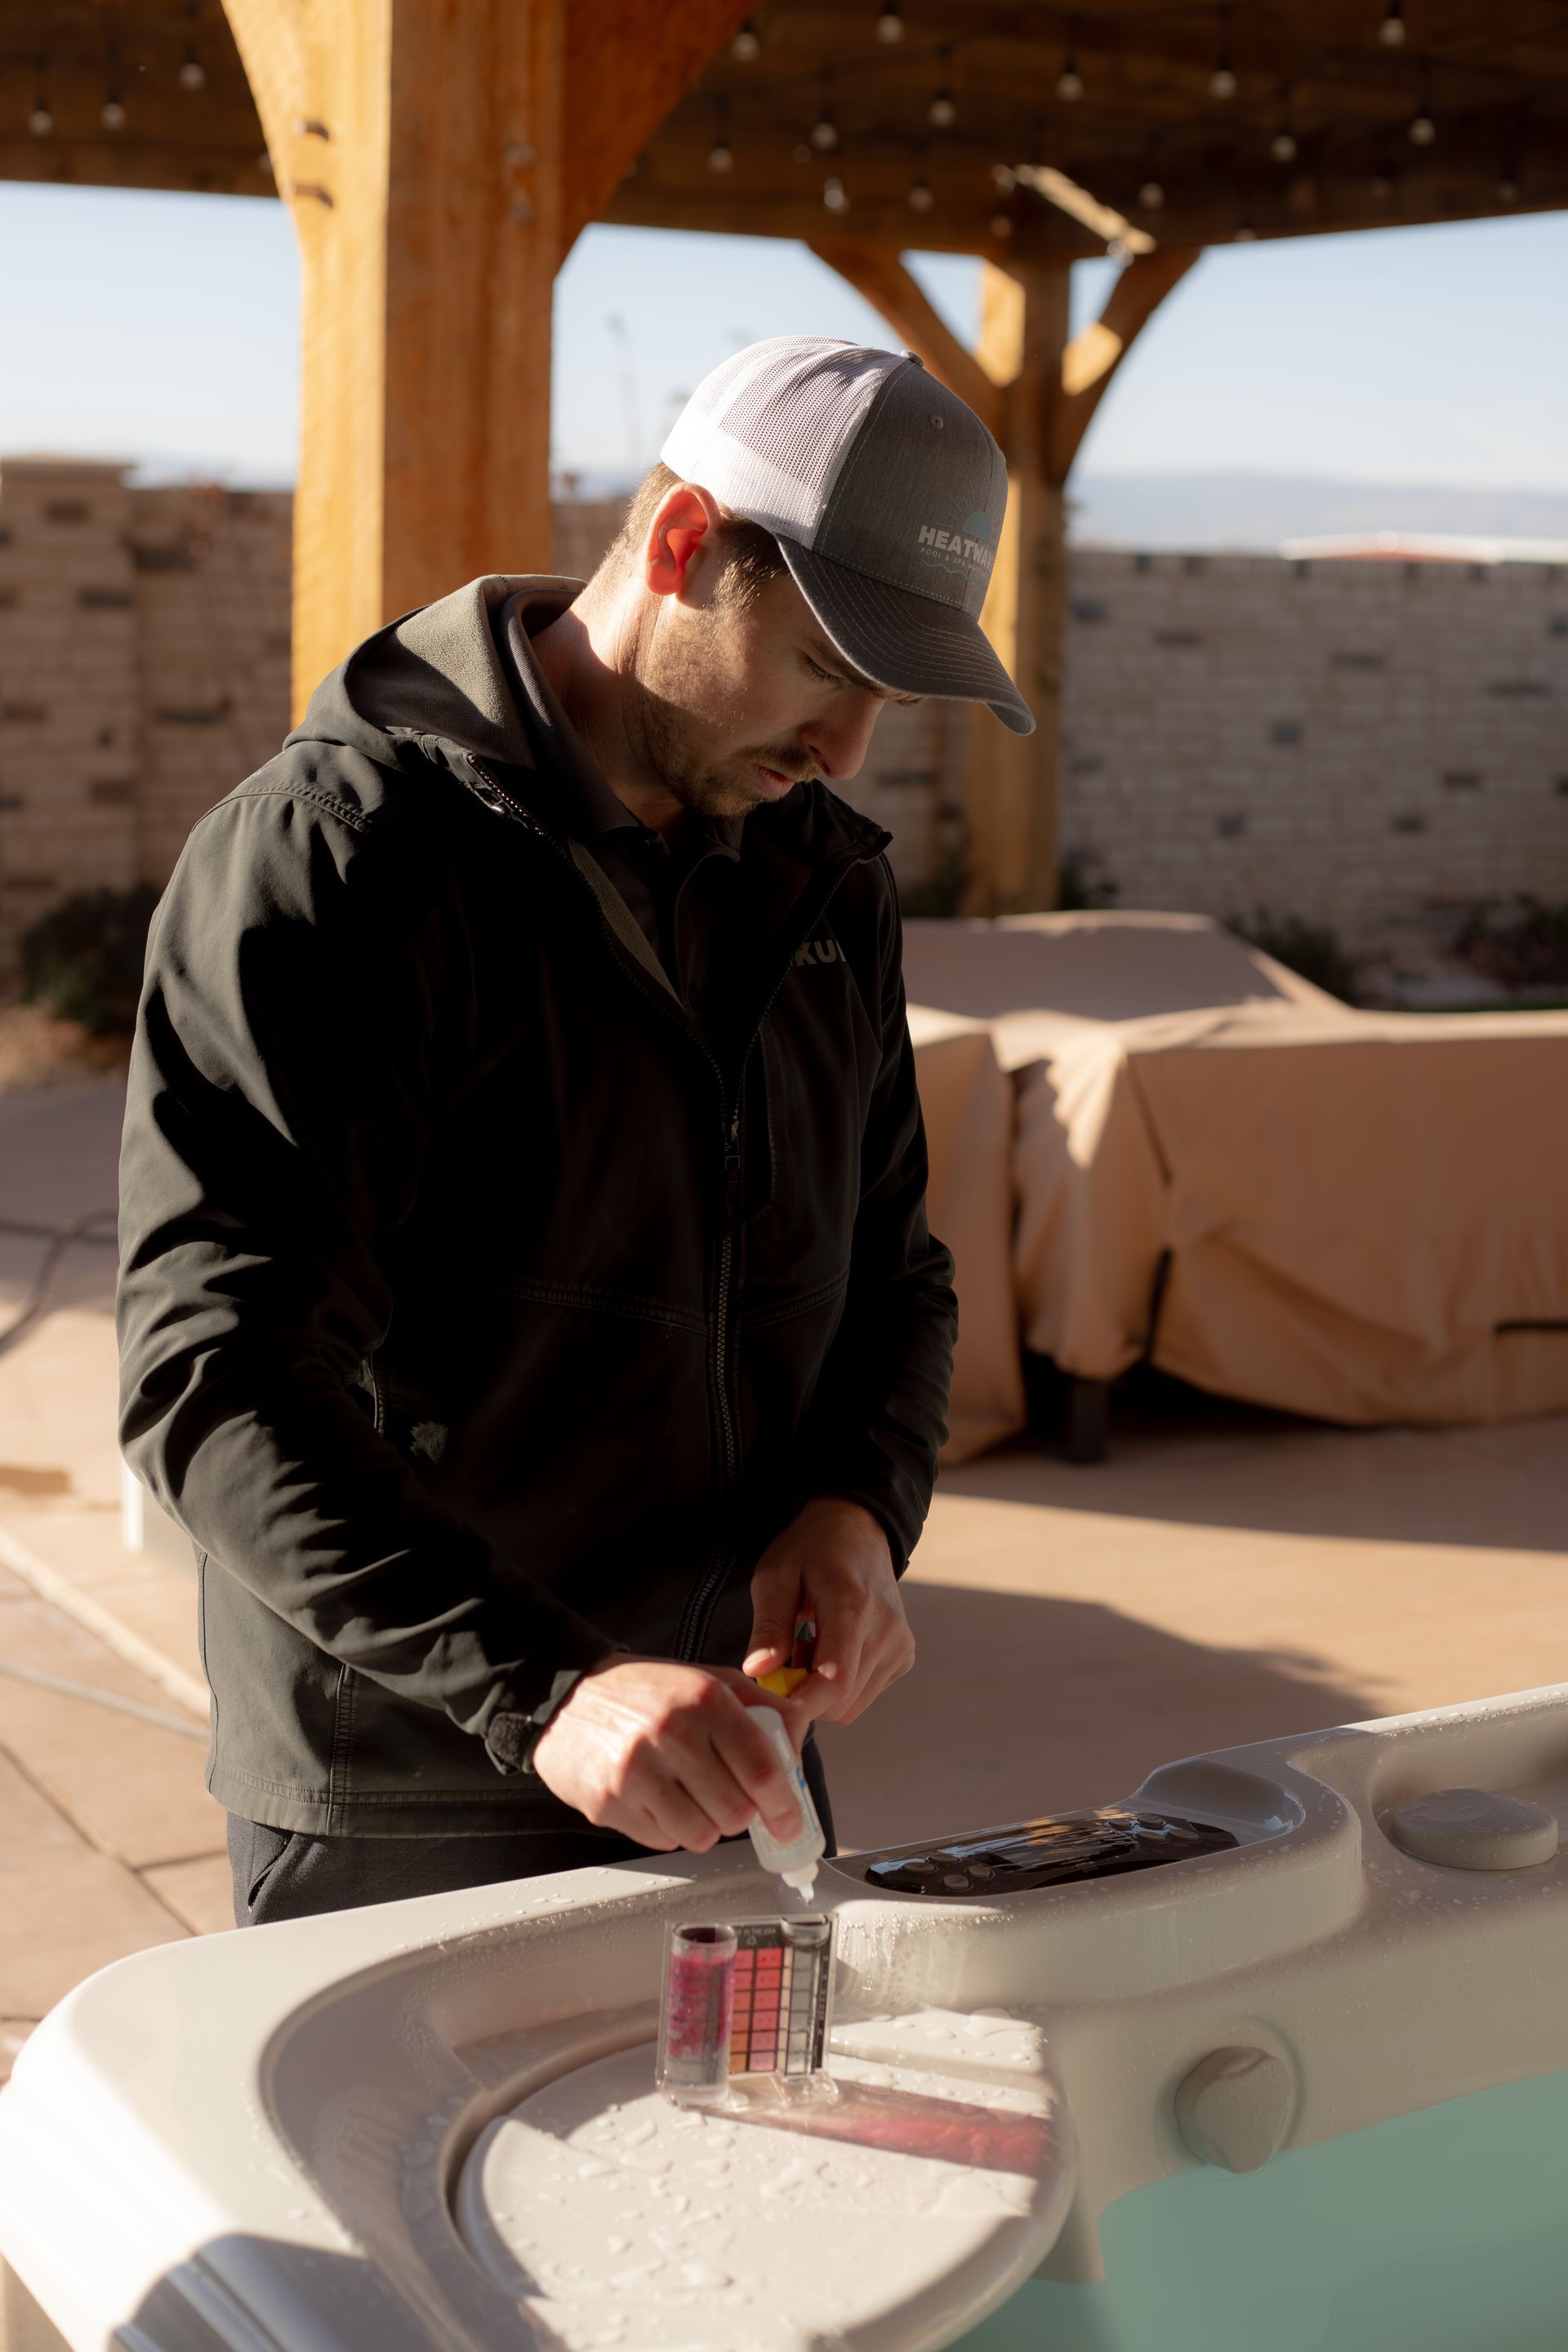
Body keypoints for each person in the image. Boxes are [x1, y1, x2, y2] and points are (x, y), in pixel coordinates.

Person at [116, 336, 1035, 1926]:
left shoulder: (822, 877)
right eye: (828, 672)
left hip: (734, 1748)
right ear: (683, 546)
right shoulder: (335, 859)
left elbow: (898, 1273)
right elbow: (214, 1373)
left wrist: (859, 1505)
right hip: (413, 1789)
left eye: (886, 700)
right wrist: (550, 1693)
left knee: (755, 2166)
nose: (847, 754)